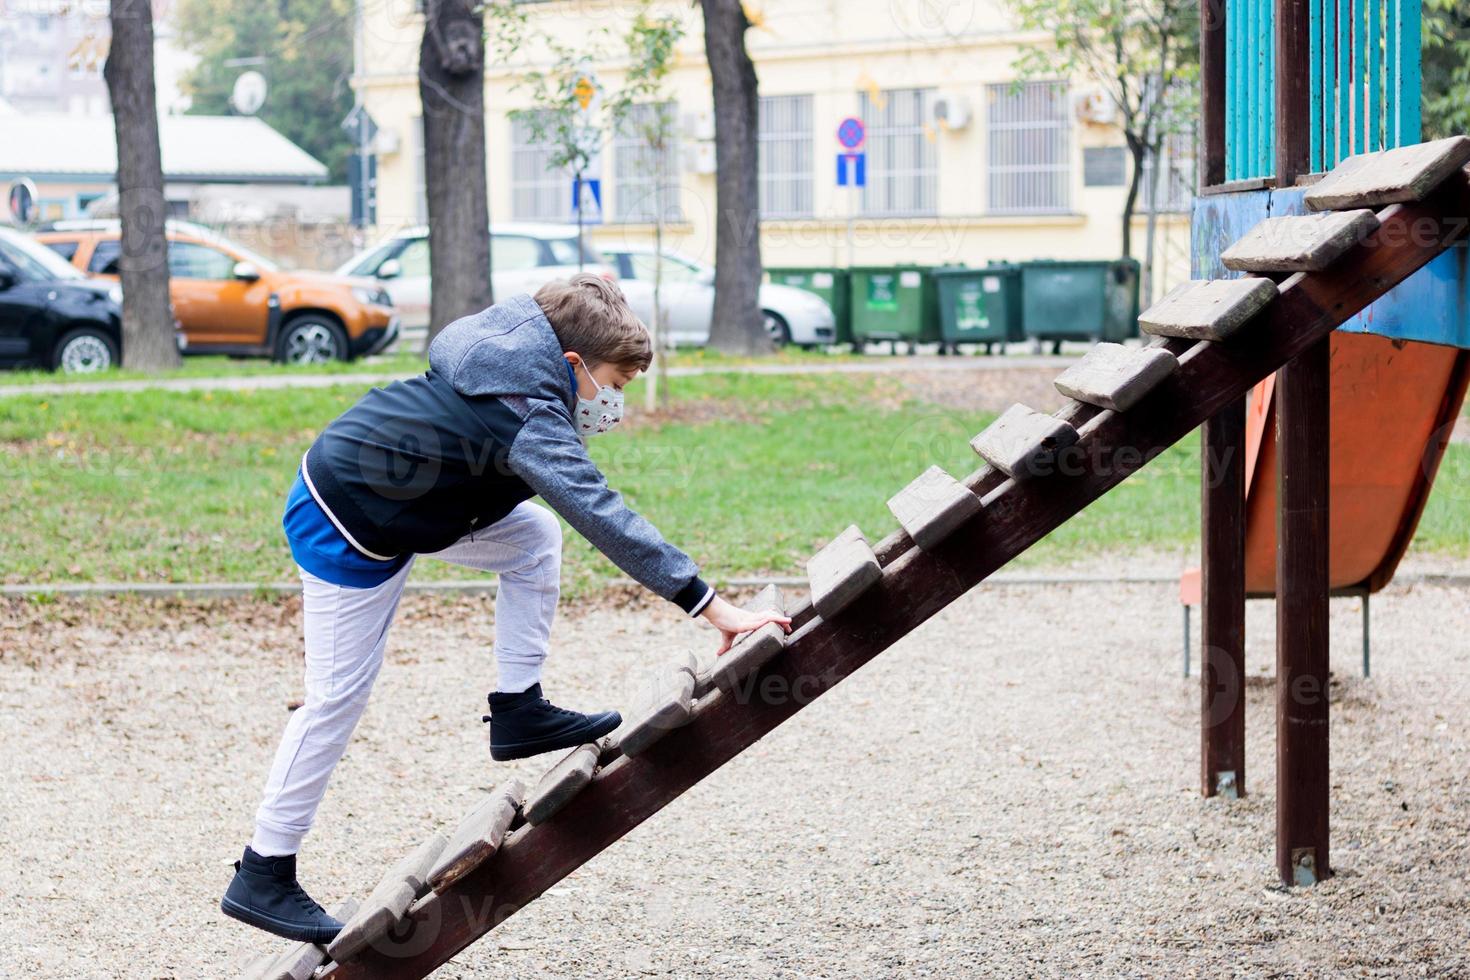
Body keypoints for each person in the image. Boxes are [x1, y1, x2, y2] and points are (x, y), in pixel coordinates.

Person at [220, 274, 791, 943]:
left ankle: (518, 709)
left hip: (409, 499)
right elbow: (599, 511)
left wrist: (599, 288)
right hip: (346, 516)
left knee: (532, 537)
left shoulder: (523, 349)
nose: (616, 402)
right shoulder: (525, 408)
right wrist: (710, 606)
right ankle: (263, 871)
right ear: (573, 365)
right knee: (335, 699)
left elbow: (563, 298)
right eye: (617, 383)